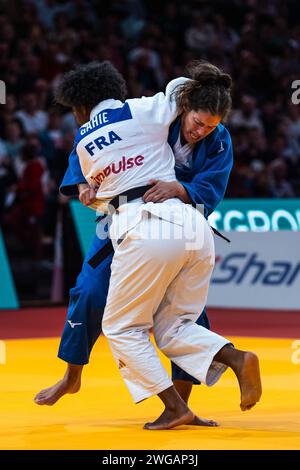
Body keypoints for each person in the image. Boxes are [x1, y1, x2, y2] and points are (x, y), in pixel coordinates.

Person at [35, 61, 261, 430]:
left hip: (171, 218)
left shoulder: (218, 141)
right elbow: (87, 154)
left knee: (178, 316)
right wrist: (82, 185)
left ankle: (179, 404)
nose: (201, 131)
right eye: (197, 122)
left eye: (210, 126)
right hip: (122, 218)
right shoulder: (155, 114)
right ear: (184, 106)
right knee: (89, 293)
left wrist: (181, 188)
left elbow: (213, 187)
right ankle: (71, 376)